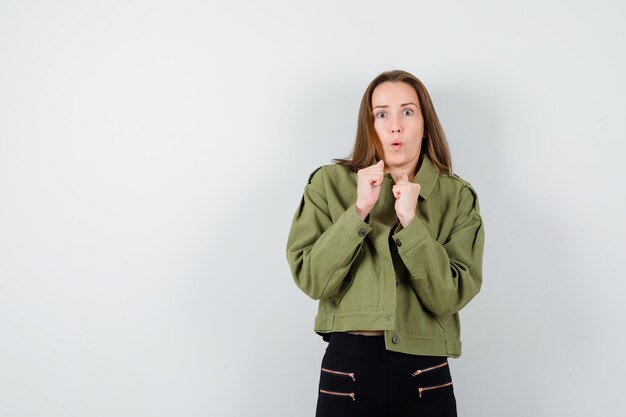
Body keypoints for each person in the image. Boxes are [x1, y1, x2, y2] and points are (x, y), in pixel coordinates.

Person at [285, 69, 485, 417]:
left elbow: (449, 297)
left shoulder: (457, 197)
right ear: (370, 124)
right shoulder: (327, 184)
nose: (395, 126)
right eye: (382, 114)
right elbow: (313, 279)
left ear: (425, 123)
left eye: (407, 111)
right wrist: (358, 211)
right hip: (348, 369)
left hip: (425, 370)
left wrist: (411, 224)